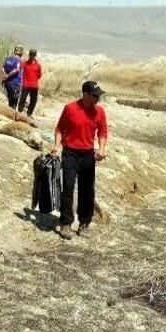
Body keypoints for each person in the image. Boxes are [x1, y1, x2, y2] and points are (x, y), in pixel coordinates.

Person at [50, 81, 109, 240]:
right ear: (85, 94)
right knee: (68, 188)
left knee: (87, 190)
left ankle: (84, 223)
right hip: (70, 153)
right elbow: (60, 128)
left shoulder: (100, 112)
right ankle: (66, 223)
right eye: (95, 95)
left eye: (99, 96)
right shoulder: (70, 108)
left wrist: (102, 149)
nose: (98, 99)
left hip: (88, 155)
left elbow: (103, 132)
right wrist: (57, 145)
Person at [18, 49, 43, 117]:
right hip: (26, 85)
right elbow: (19, 70)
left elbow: (39, 76)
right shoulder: (24, 64)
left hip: (34, 86)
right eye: (31, 54)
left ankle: (29, 113)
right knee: (22, 99)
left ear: (35, 56)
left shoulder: (38, 65)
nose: (32, 56)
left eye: (33, 55)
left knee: (34, 100)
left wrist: (33, 80)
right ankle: (19, 112)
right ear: (29, 55)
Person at [1, 45, 24, 109]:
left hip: (7, 83)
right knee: (14, 103)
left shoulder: (8, 59)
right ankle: (11, 116)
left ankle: (9, 114)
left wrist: (5, 75)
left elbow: (3, 67)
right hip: (15, 83)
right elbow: (16, 69)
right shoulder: (19, 60)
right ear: (21, 53)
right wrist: (8, 75)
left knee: (10, 101)